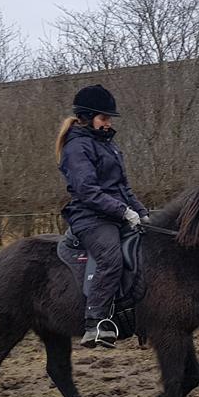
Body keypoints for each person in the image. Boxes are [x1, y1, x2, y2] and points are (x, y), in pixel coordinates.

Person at [55, 84, 148, 348]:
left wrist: (142, 213)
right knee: (110, 258)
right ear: (87, 117)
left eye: (109, 119)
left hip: (115, 215)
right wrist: (123, 211)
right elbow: (87, 191)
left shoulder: (109, 145)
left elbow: (124, 188)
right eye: (104, 118)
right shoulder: (76, 148)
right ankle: (95, 322)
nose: (108, 123)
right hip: (91, 217)